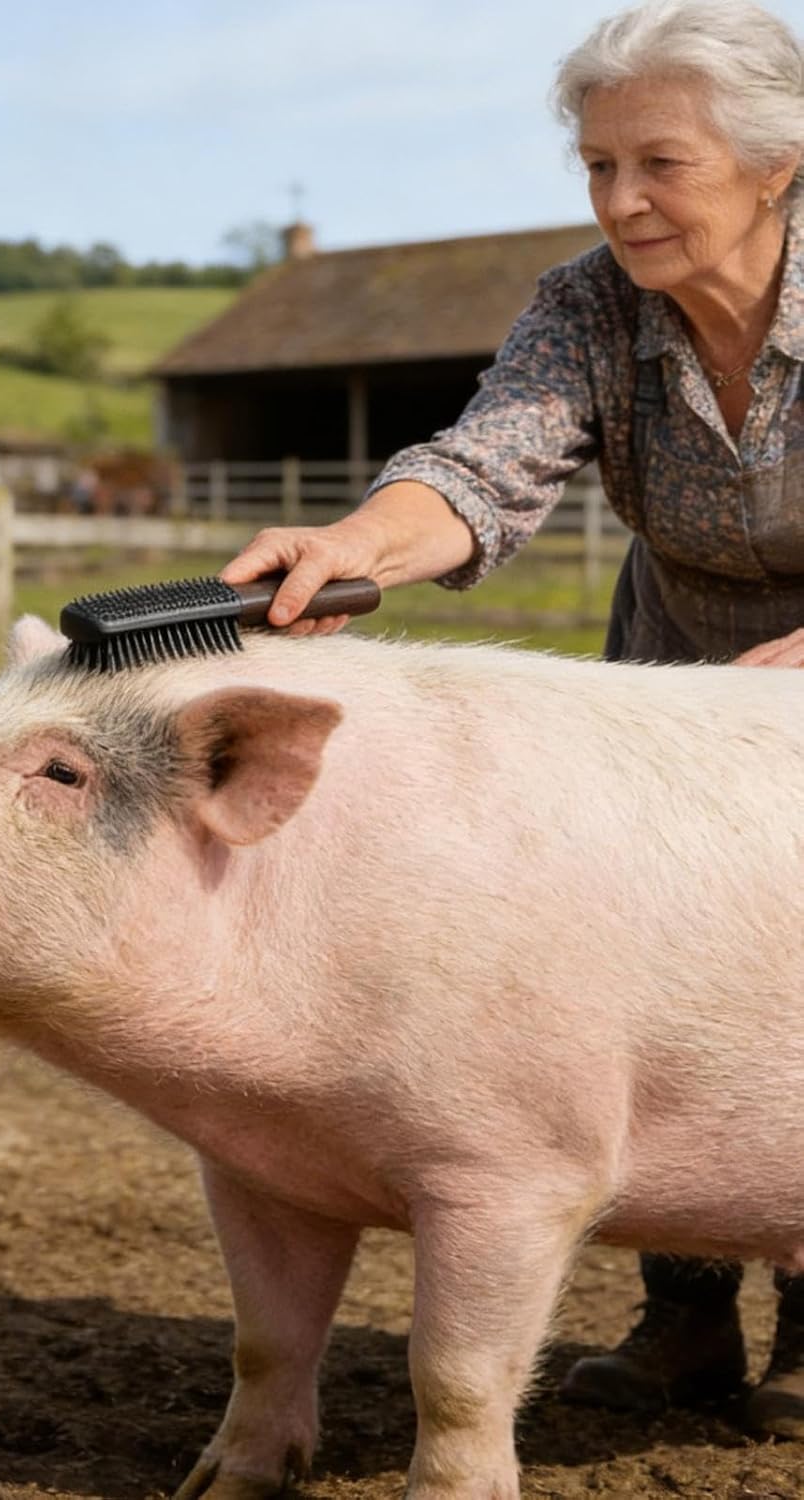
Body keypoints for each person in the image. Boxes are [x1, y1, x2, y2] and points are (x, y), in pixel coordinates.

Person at [220, 0, 804, 1435]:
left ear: (776, 164)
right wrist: (354, 546)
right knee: (653, 965)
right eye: (598, 166)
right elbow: (485, 467)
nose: (622, 201)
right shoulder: (588, 304)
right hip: (674, 667)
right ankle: (683, 1323)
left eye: (659, 163)